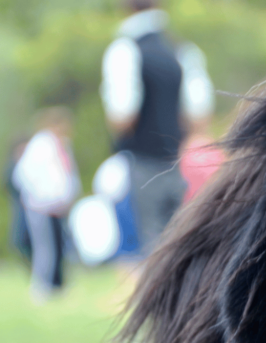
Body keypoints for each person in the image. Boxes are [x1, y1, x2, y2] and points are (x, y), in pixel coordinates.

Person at [100, 0, 213, 254]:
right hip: (176, 160)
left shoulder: (125, 50)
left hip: (142, 162)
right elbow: (198, 115)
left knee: (150, 244)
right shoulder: (182, 50)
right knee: (180, 241)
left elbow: (122, 116)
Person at [11, 107, 80, 302]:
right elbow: (23, 175)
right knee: (45, 248)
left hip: (58, 208)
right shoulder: (40, 145)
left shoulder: (62, 145)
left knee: (60, 246)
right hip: (41, 206)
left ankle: (57, 285)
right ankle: (41, 286)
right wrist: (42, 195)